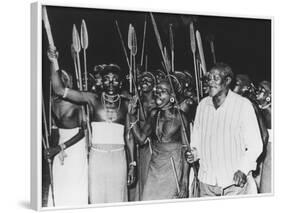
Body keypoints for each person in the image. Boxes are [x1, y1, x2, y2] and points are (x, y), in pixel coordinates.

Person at [48, 49, 136, 204]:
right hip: (97, 158)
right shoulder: (92, 99)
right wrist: (53, 61)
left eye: (115, 80)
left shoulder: (127, 104)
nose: (110, 83)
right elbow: (59, 89)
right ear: (101, 81)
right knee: (96, 199)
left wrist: (132, 164)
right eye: (106, 79)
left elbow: (129, 136)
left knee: (117, 199)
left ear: (121, 82)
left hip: (118, 158)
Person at [186, 63, 263, 197]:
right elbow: (197, 141)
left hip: (233, 184)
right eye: (209, 78)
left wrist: (243, 170)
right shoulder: (202, 106)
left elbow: (255, 145)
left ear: (227, 81)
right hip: (206, 182)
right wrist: (194, 153)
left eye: (215, 78)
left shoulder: (243, 105)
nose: (210, 82)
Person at [129, 76, 190, 200]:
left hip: (173, 168)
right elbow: (141, 139)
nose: (157, 93)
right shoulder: (154, 114)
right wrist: (132, 115)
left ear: (172, 96)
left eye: (162, 91)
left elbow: (186, 149)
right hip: (154, 167)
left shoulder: (180, 117)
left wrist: (184, 182)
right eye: (156, 90)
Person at [44, 70, 88, 206]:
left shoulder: (77, 103)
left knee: (75, 183)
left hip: (76, 147)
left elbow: (82, 132)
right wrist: (51, 149)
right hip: (60, 146)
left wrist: (59, 147)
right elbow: (55, 130)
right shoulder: (52, 102)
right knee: (60, 180)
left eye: (62, 80)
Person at [233, 74, 269, 191]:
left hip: (251, 162)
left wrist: (256, 163)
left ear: (245, 88)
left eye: (236, 85)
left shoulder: (249, 105)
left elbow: (263, 135)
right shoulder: (237, 104)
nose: (233, 88)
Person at [256, 80, 272, 193]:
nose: (257, 92)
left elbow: (265, 137)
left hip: (269, 157)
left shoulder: (268, 112)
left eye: (262, 90)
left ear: (269, 96)